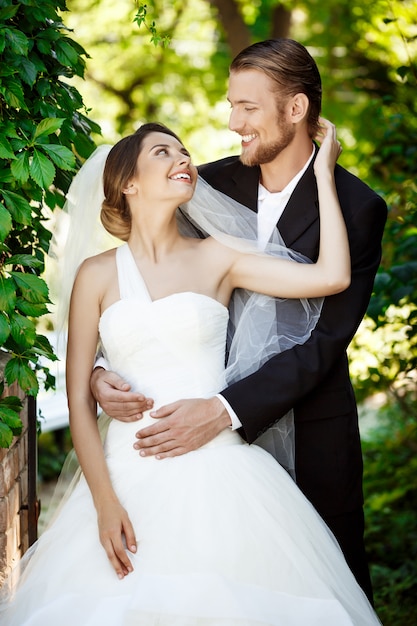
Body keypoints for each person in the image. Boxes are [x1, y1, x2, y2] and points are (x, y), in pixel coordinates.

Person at [0, 122, 382, 625]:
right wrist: (105, 503)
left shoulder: (218, 257)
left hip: (222, 471)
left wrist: (325, 177)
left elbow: (331, 277)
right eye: (163, 152)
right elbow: (79, 403)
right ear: (129, 183)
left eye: (184, 150)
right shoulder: (95, 273)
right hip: (125, 476)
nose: (183, 158)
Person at [91, 39, 388, 602]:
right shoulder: (204, 184)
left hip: (309, 430)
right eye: (232, 106)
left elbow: (324, 341)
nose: (233, 123)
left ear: (295, 109)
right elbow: (145, 275)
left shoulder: (358, 208)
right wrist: (102, 367)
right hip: (186, 445)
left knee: (320, 596)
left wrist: (223, 411)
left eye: (248, 108)